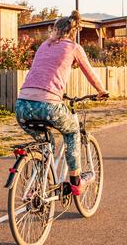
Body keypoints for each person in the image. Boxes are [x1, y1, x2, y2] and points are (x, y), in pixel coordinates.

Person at [16, 10, 108, 195]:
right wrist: (101, 90)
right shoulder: (73, 47)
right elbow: (89, 72)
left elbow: (44, 72)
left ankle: (41, 180)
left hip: (21, 106)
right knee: (73, 131)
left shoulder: (44, 46)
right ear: (73, 32)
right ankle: (76, 182)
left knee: (46, 143)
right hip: (48, 105)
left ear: (55, 30)